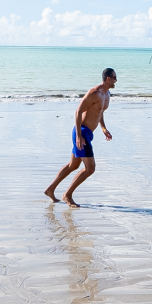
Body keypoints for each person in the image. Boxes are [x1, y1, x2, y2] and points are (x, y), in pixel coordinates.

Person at [45, 68, 116, 208]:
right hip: (82, 132)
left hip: (88, 134)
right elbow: (78, 112)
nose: (116, 80)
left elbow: (99, 113)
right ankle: (67, 194)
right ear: (107, 78)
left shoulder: (107, 94)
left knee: (73, 165)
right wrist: (78, 135)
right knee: (90, 168)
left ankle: (50, 189)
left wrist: (103, 128)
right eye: (114, 77)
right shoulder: (94, 93)